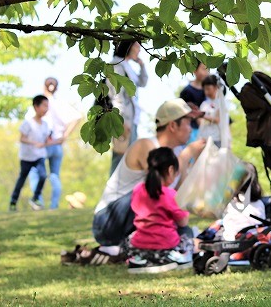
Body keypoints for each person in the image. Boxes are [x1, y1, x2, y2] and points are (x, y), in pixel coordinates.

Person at [73, 98, 205, 265]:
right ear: (173, 126)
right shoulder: (146, 146)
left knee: (178, 223)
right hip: (108, 222)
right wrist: (186, 156)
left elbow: (177, 199)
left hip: (133, 221)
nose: (190, 129)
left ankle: (127, 250)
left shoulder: (176, 154)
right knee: (146, 193)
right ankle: (123, 248)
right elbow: (160, 190)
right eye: (188, 123)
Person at [125, 147, 194, 274]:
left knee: (132, 235)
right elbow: (183, 222)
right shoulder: (170, 194)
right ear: (170, 170)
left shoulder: (138, 190)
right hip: (166, 247)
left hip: (140, 246)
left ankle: (140, 260)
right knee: (187, 231)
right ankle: (180, 256)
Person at [28, 77, 82, 209]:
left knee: (35, 172)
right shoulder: (60, 103)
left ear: (43, 87)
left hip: (43, 144)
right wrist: (65, 135)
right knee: (54, 175)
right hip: (57, 144)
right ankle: (54, 206)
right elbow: (77, 117)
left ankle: (38, 202)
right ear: (56, 88)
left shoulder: (39, 104)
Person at [9, 95, 62, 211]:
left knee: (43, 176)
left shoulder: (45, 125)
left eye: (47, 106)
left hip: (39, 156)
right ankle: (13, 202)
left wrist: (57, 141)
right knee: (22, 179)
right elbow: (21, 139)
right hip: (27, 157)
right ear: (36, 107)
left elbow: (46, 141)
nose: (46, 109)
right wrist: (33, 143)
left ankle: (35, 197)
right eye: (44, 106)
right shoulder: (27, 123)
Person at [108, 41, 149, 175]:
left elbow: (142, 82)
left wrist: (142, 65)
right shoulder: (116, 64)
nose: (139, 50)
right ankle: (112, 194)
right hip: (124, 118)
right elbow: (116, 95)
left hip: (133, 118)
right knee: (120, 158)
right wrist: (121, 120)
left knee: (128, 158)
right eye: (137, 46)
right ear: (128, 47)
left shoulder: (128, 66)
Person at [179, 60, 209, 142]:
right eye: (203, 69)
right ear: (194, 70)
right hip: (193, 130)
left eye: (208, 69)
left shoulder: (209, 92)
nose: (206, 72)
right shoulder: (187, 91)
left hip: (207, 129)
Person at [197, 75, 228, 147]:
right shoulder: (204, 104)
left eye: (208, 89)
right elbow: (200, 121)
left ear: (216, 87)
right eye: (204, 89)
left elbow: (218, 119)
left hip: (217, 138)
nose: (206, 92)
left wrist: (202, 115)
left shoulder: (221, 103)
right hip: (204, 138)